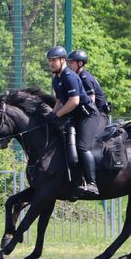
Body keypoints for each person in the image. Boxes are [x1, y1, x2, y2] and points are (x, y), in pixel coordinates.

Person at [46, 46, 101, 196]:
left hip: (88, 115)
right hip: (75, 116)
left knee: (82, 147)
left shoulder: (69, 76)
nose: (51, 63)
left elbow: (74, 101)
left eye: (53, 60)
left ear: (62, 60)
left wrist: (57, 116)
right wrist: (51, 114)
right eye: (49, 61)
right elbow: (59, 101)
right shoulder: (56, 80)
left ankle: (92, 183)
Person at [66, 49, 110, 131]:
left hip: (100, 114)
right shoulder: (77, 77)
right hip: (91, 113)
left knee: (93, 140)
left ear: (80, 63)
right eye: (69, 62)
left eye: (72, 62)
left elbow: (91, 103)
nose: (69, 65)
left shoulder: (85, 79)